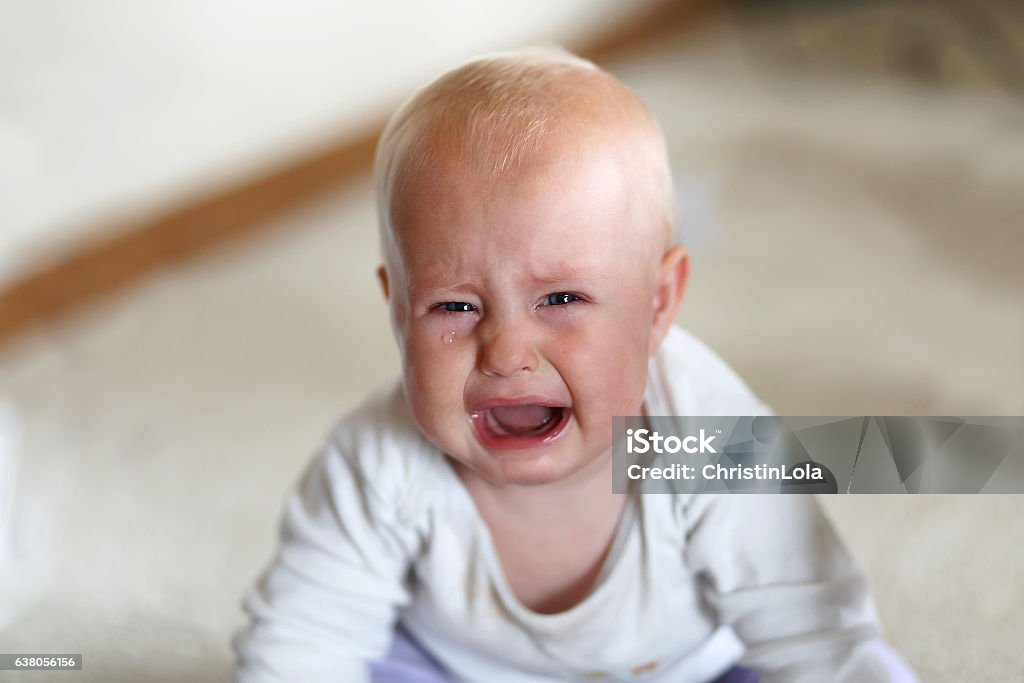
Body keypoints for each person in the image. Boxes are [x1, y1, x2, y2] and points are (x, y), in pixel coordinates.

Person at [234, 46, 916, 683]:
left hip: (682, 667)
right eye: (453, 306)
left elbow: (816, 631)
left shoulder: (712, 437)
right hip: (460, 666)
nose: (504, 352)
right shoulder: (378, 462)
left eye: (560, 298)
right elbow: (302, 635)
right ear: (396, 308)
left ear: (656, 304)